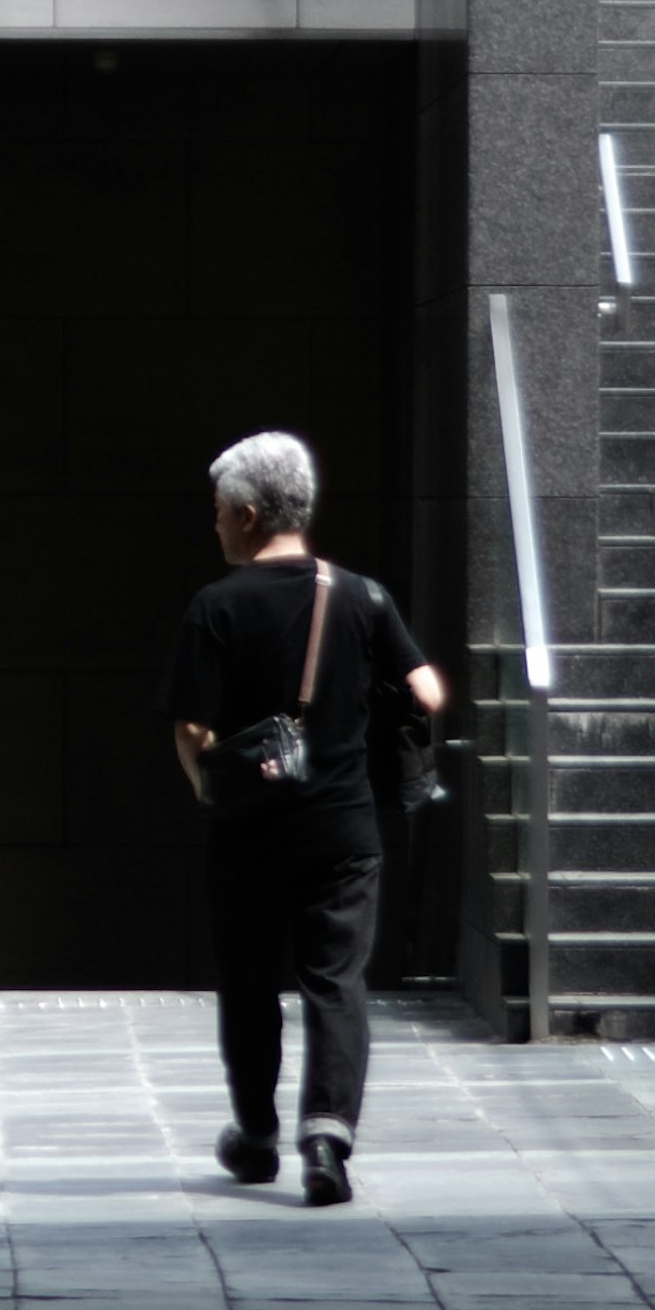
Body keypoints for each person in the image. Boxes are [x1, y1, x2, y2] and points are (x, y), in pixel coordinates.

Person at [170, 428, 443, 1204]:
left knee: (249, 981)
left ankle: (255, 1136)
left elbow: (191, 727)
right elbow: (425, 692)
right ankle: (327, 1137)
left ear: (250, 514)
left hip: (248, 831)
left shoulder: (215, 607)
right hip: (343, 828)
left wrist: (207, 785)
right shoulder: (360, 594)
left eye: (220, 511)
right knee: (335, 980)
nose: (215, 522)